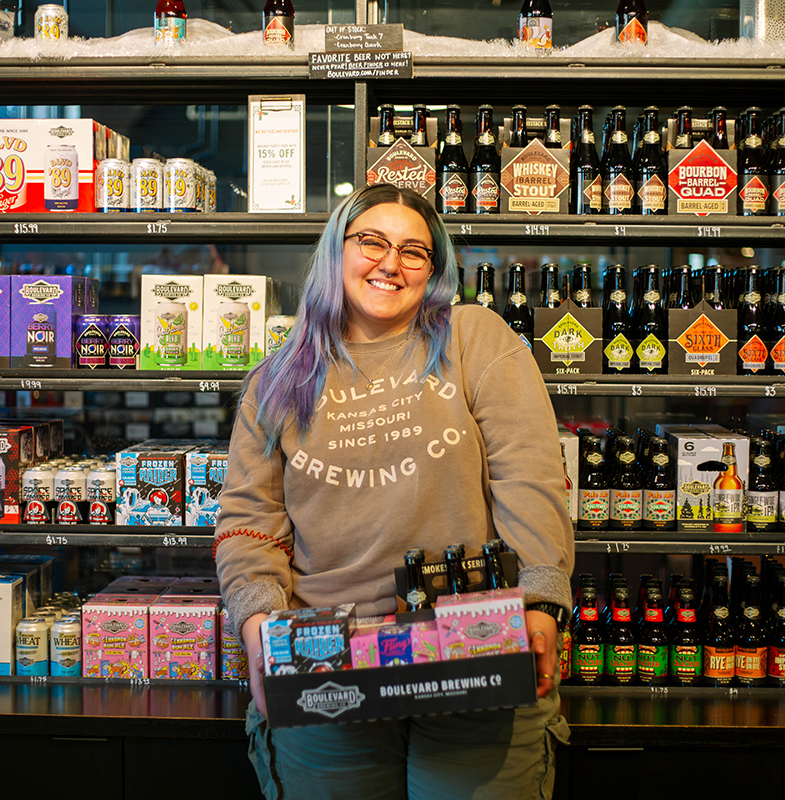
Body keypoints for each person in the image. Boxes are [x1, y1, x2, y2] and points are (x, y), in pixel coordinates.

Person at [214, 183, 574, 799]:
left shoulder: (473, 338)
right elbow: (250, 520)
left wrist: (540, 601)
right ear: (336, 251)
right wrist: (257, 626)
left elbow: (530, 477)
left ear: (434, 270)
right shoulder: (277, 378)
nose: (390, 263)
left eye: (414, 251)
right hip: (326, 661)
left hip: (473, 647)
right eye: (372, 242)